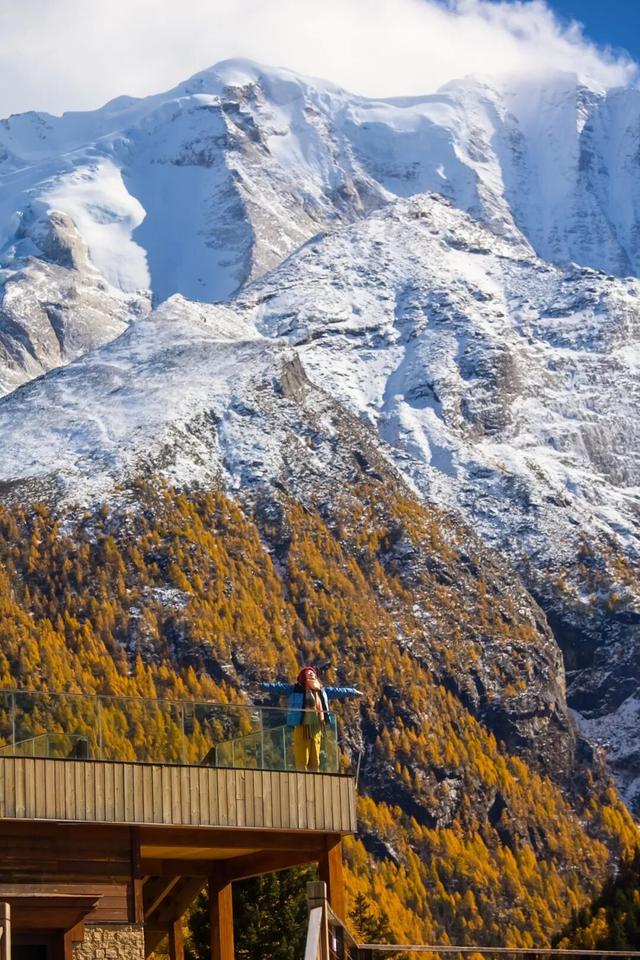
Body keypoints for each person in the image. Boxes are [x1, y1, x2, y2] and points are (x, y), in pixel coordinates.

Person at [261, 667, 361, 772]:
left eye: (312, 673)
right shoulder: (295, 689)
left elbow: (339, 691)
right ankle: (302, 780)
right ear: (303, 676)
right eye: (308, 673)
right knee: (302, 758)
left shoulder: (321, 691)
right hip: (301, 726)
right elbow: (277, 687)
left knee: (315, 760)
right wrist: (262, 686)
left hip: (316, 728)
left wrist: (353, 692)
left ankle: (314, 782)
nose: (311, 674)